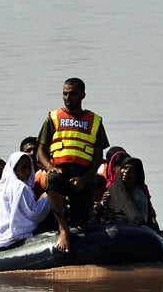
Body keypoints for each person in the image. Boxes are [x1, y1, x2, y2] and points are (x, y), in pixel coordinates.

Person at [37, 77, 109, 252]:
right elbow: (40, 151)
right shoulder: (53, 117)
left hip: (84, 174)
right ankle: (63, 229)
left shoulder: (95, 121)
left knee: (80, 219)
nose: (68, 98)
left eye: (73, 94)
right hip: (61, 171)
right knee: (52, 180)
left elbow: (98, 156)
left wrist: (84, 179)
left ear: (83, 95)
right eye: (65, 94)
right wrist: (49, 166)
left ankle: (80, 241)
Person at [0, 151, 62, 250]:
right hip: (14, 236)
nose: (27, 171)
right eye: (23, 167)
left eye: (29, 167)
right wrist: (49, 197)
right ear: (14, 169)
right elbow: (35, 214)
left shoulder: (0, 185)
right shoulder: (21, 187)